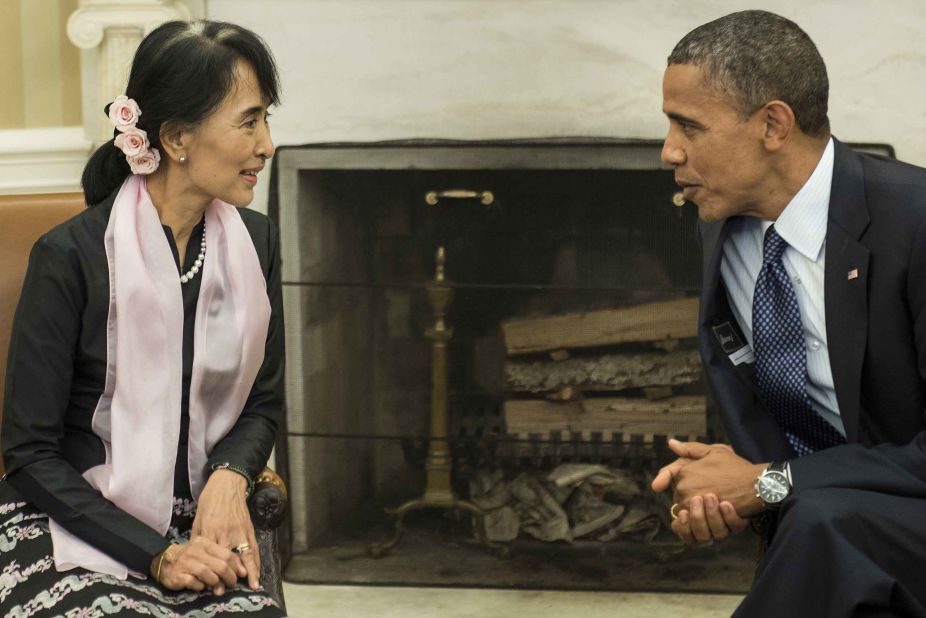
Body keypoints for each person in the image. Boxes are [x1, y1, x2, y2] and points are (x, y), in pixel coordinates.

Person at [1, 20, 285, 616]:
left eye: (266, 119)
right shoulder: (70, 257)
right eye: (249, 120)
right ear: (178, 137)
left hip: (200, 519)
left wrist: (231, 477)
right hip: (75, 519)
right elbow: (30, 454)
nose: (267, 144)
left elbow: (262, 402)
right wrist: (157, 555)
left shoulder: (255, 243)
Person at [650, 10, 926, 617]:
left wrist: (768, 483)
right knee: (821, 525)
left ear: (773, 123)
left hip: (890, 515)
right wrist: (728, 492)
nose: (669, 151)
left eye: (688, 126)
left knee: (824, 524)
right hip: (827, 519)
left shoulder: (915, 223)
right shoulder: (719, 226)